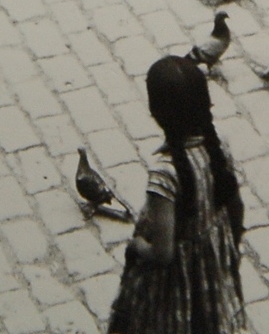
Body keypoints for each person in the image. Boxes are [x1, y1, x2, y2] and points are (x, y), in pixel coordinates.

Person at [106, 56, 247, 334]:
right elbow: (236, 207)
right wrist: (227, 250)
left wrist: (137, 245)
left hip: (173, 285)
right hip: (210, 273)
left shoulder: (164, 174)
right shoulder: (218, 147)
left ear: (156, 113)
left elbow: (162, 253)